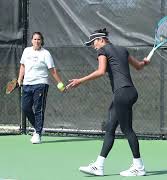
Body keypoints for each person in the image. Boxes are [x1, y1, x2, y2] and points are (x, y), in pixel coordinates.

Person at [66, 28, 150, 176]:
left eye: (93, 43)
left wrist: (80, 80)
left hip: (122, 93)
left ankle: (139, 166)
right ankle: (99, 165)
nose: (93, 46)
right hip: (129, 92)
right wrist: (145, 61)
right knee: (110, 127)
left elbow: (101, 71)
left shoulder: (103, 51)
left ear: (101, 40)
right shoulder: (122, 50)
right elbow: (138, 66)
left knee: (127, 130)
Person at [17, 32, 65, 144]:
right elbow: (22, 66)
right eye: (35, 39)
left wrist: (60, 83)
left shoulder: (46, 54)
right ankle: (38, 127)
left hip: (40, 84)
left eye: (39, 39)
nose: (37, 41)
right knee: (25, 108)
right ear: (31, 40)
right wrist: (20, 79)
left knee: (39, 109)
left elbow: (52, 70)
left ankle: (37, 133)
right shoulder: (26, 51)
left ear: (41, 41)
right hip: (27, 84)